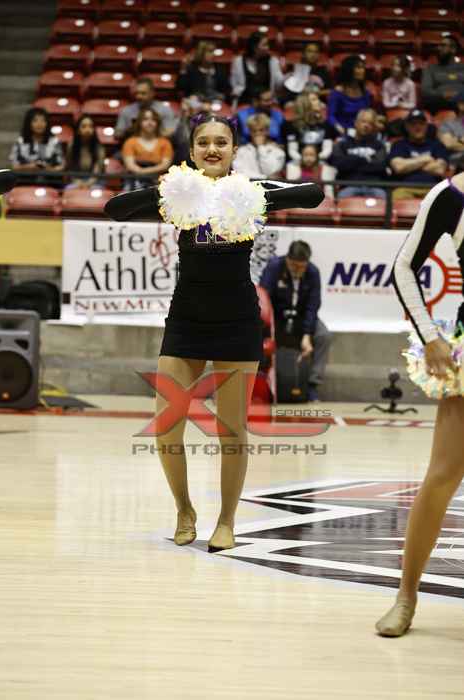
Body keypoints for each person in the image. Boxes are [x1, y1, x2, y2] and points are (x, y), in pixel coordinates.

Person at [104, 114, 324, 553]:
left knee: (232, 430)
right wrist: (168, 190)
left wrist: (254, 191)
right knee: (166, 426)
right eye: (203, 142)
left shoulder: (251, 193)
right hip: (186, 318)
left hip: (237, 320)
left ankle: (226, 521)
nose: (212, 149)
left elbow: (313, 194)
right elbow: (116, 208)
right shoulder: (177, 194)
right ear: (190, 152)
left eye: (221, 142)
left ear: (234, 150)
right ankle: (184, 509)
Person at [375, 172, 464, 637]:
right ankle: (406, 596)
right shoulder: (451, 195)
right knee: (443, 476)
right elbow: (404, 266)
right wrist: (430, 335)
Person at [259, 241, 331, 402]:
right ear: (287, 259)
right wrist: (268, 327)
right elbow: (264, 298)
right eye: (293, 265)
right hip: (277, 317)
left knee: (324, 336)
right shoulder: (274, 267)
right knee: (256, 332)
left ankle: (312, 386)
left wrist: (307, 334)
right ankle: (261, 381)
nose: (297, 270)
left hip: (301, 317)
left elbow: (313, 306)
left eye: (301, 267)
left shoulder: (313, 272)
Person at [389, 109, 448, 202]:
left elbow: (439, 169)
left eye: (421, 123)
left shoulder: (437, 145)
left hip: (431, 189)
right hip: (404, 189)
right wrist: (426, 159)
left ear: (426, 126)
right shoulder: (399, 145)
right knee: (394, 199)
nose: (417, 127)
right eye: (413, 124)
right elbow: (399, 167)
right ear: (407, 126)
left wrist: (409, 165)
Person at [329, 109, 387, 199]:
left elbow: (380, 166)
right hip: (349, 186)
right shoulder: (343, 144)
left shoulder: (379, 145)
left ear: (373, 127)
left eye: (370, 123)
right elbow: (338, 163)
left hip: (374, 187)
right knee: (342, 199)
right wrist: (365, 160)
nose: (366, 125)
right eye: (363, 121)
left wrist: (351, 160)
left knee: (384, 199)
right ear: (356, 123)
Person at [122, 107, 174, 190]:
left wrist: (143, 171)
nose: (149, 122)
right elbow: (130, 165)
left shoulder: (165, 143)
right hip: (135, 179)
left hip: (158, 180)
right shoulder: (130, 142)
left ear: (157, 123)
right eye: (145, 119)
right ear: (139, 122)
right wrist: (140, 172)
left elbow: (165, 165)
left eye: (153, 120)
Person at [114, 77, 178, 143]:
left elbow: (170, 132)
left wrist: (148, 133)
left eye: (143, 93)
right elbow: (117, 134)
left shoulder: (164, 110)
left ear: (152, 93)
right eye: (136, 93)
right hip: (133, 145)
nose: (139, 96)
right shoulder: (126, 111)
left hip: (158, 146)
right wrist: (129, 131)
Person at [230, 31, 284, 105]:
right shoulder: (238, 61)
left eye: (267, 44)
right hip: (245, 100)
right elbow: (234, 84)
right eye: (264, 45)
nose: (267, 48)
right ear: (254, 47)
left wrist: (288, 79)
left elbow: (279, 83)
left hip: (267, 101)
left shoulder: (273, 61)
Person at [283, 92, 337, 165]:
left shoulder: (326, 124)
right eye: (314, 99)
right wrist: (305, 161)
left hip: (320, 162)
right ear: (304, 103)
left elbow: (327, 149)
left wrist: (315, 160)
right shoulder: (291, 125)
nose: (318, 102)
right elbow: (292, 151)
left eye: (317, 99)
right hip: (298, 162)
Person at [9, 107, 64, 175]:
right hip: (25, 178)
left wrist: (48, 169)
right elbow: (14, 166)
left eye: (43, 120)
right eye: (35, 120)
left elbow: (61, 166)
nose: (39, 124)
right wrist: (29, 167)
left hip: (49, 178)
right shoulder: (20, 141)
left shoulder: (54, 141)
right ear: (28, 123)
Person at [327, 55, 372, 136]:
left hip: (361, 132)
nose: (362, 70)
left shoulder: (365, 92)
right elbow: (331, 116)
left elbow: (367, 113)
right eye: (358, 68)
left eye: (363, 68)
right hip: (342, 131)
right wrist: (340, 129)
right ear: (349, 70)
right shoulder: (337, 92)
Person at [232, 113, 286, 179]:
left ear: (267, 131)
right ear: (249, 131)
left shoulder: (278, 152)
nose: (257, 133)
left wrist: (260, 147)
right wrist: (264, 177)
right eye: (254, 131)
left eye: (261, 130)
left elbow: (270, 171)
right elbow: (239, 172)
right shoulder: (241, 151)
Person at [421, 35, 464, 114]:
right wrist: (445, 94)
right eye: (439, 46)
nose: (439, 48)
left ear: (453, 49)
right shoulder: (430, 69)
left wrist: (459, 96)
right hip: (439, 103)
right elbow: (426, 90)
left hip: (461, 100)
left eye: (443, 45)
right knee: (429, 100)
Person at [65, 114, 105, 189]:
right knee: (69, 189)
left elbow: (97, 171)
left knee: (97, 190)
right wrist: (77, 182)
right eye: (84, 126)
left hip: (95, 181)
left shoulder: (99, 148)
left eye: (90, 126)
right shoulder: (71, 146)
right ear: (78, 130)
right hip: (76, 180)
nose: (88, 129)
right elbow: (70, 168)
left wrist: (88, 184)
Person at [170, 95, 212, 166]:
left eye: (194, 102)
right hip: (183, 158)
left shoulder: (207, 118)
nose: (191, 105)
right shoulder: (183, 119)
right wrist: (184, 113)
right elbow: (173, 135)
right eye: (189, 102)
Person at [437, 90, 464, 168]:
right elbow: (448, 144)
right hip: (457, 165)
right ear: (460, 105)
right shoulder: (447, 124)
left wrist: (459, 140)